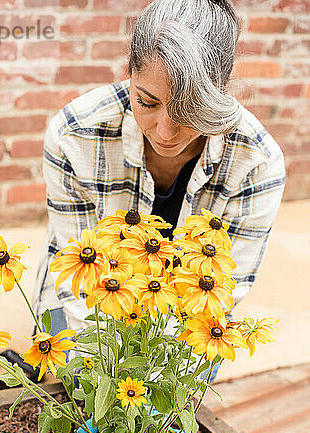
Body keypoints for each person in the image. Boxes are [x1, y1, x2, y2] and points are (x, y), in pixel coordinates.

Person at [32, 0, 285, 350]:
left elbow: (225, 289)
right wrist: (99, 366)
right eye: (147, 103)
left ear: (221, 89)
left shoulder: (257, 162)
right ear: (129, 73)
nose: (165, 131)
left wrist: (157, 369)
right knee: (77, 380)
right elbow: (77, 272)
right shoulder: (74, 133)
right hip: (89, 305)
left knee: (168, 404)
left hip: (185, 321)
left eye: (188, 109)